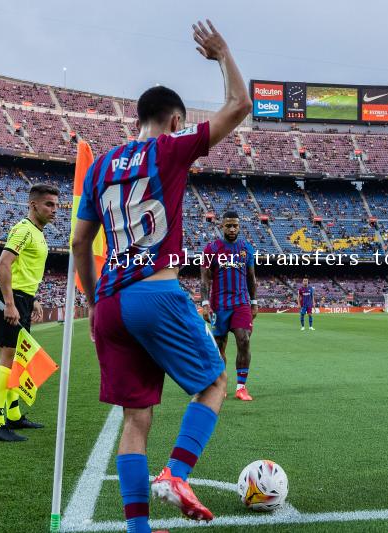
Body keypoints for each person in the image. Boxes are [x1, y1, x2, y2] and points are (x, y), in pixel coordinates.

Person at [72, 20, 251, 530]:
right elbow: (239, 105)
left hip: (109, 303)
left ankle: (138, 528)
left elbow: (81, 242)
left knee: (136, 417)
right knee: (215, 380)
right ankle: (176, 472)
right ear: (174, 120)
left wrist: (89, 300)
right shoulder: (169, 149)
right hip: (154, 291)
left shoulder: (102, 165)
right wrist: (222, 54)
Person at [0, 183, 58, 442]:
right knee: (7, 359)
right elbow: (3, 264)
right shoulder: (23, 230)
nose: (54, 210)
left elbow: (24, 271)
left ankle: (14, 415)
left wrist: (33, 299)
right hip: (12, 300)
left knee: (19, 359)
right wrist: (9, 302)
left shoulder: (38, 233)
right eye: (49, 204)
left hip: (23, 299)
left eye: (56, 206)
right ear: (33, 204)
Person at [201, 211, 258, 401]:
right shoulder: (211, 248)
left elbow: (251, 277)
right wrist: (205, 303)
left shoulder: (247, 248)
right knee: (219, 346)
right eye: (228, 225)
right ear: (221, 226)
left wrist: (254, 302)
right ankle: (221, 385)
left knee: (244, 340)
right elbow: (205, 279)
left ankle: (241, 387)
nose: (232, 229)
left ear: (239, 226)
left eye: (235, 225)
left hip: (241, 302)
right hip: (219, 304)